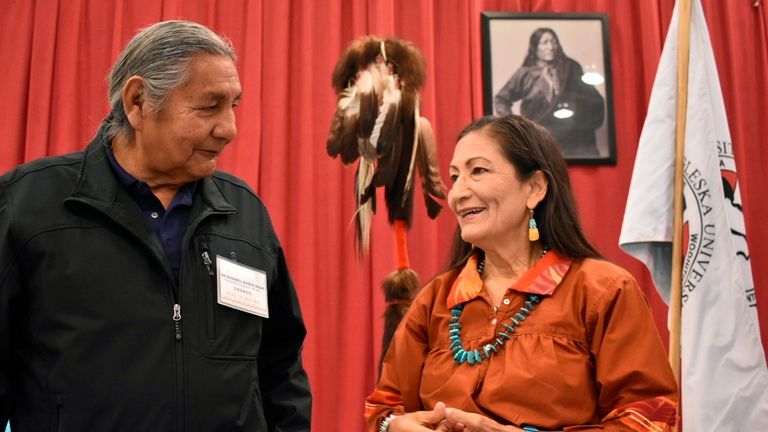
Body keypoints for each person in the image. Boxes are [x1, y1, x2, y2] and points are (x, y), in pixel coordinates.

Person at [0, 20, 311, 431]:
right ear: (138, 101)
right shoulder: (28, 204)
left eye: (233, 105)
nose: (229, 129)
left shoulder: (245, 213)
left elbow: (280, 367)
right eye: (209, 106)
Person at [364, 115, 678, 432]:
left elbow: (650, 418)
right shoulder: (435, 300)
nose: (457, 192)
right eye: (455, 177)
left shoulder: (602, 289)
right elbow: (382, 408)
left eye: (478, 171)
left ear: (535, 188)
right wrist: (394, 426)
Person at [494, 28, 605, 159]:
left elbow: (592, 99)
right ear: (535, 47)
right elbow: (501, 99)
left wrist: (581, 124)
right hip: (540, 139)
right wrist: (515, 128)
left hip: (573, 139)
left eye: (553, 42)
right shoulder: (525, 73)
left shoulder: (571, 67)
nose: (550, 47)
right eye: (545, 42)